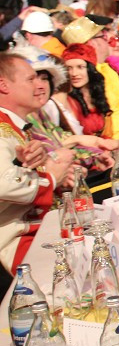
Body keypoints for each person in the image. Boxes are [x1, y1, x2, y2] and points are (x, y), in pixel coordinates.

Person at [0, 53, 76, 271]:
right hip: (16, 245)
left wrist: (49, 169)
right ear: (3, 85)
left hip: (37, 230)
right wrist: (51, 178)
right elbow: (4, 184)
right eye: (31, 79)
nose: (41, 86)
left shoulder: (14, 126)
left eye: (42, 79)